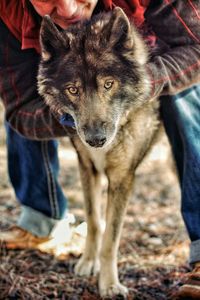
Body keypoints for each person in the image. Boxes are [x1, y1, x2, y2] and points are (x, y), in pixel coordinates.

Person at [0, 0, 200, 298]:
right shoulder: (8, 9)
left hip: (148, 54)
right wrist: (65, 112)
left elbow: (197, 47)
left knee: (184, 97)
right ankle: (40, 217)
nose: (67, 9)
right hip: (60, 68)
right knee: (33, 94)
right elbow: (18, 108)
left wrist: (145, 81)